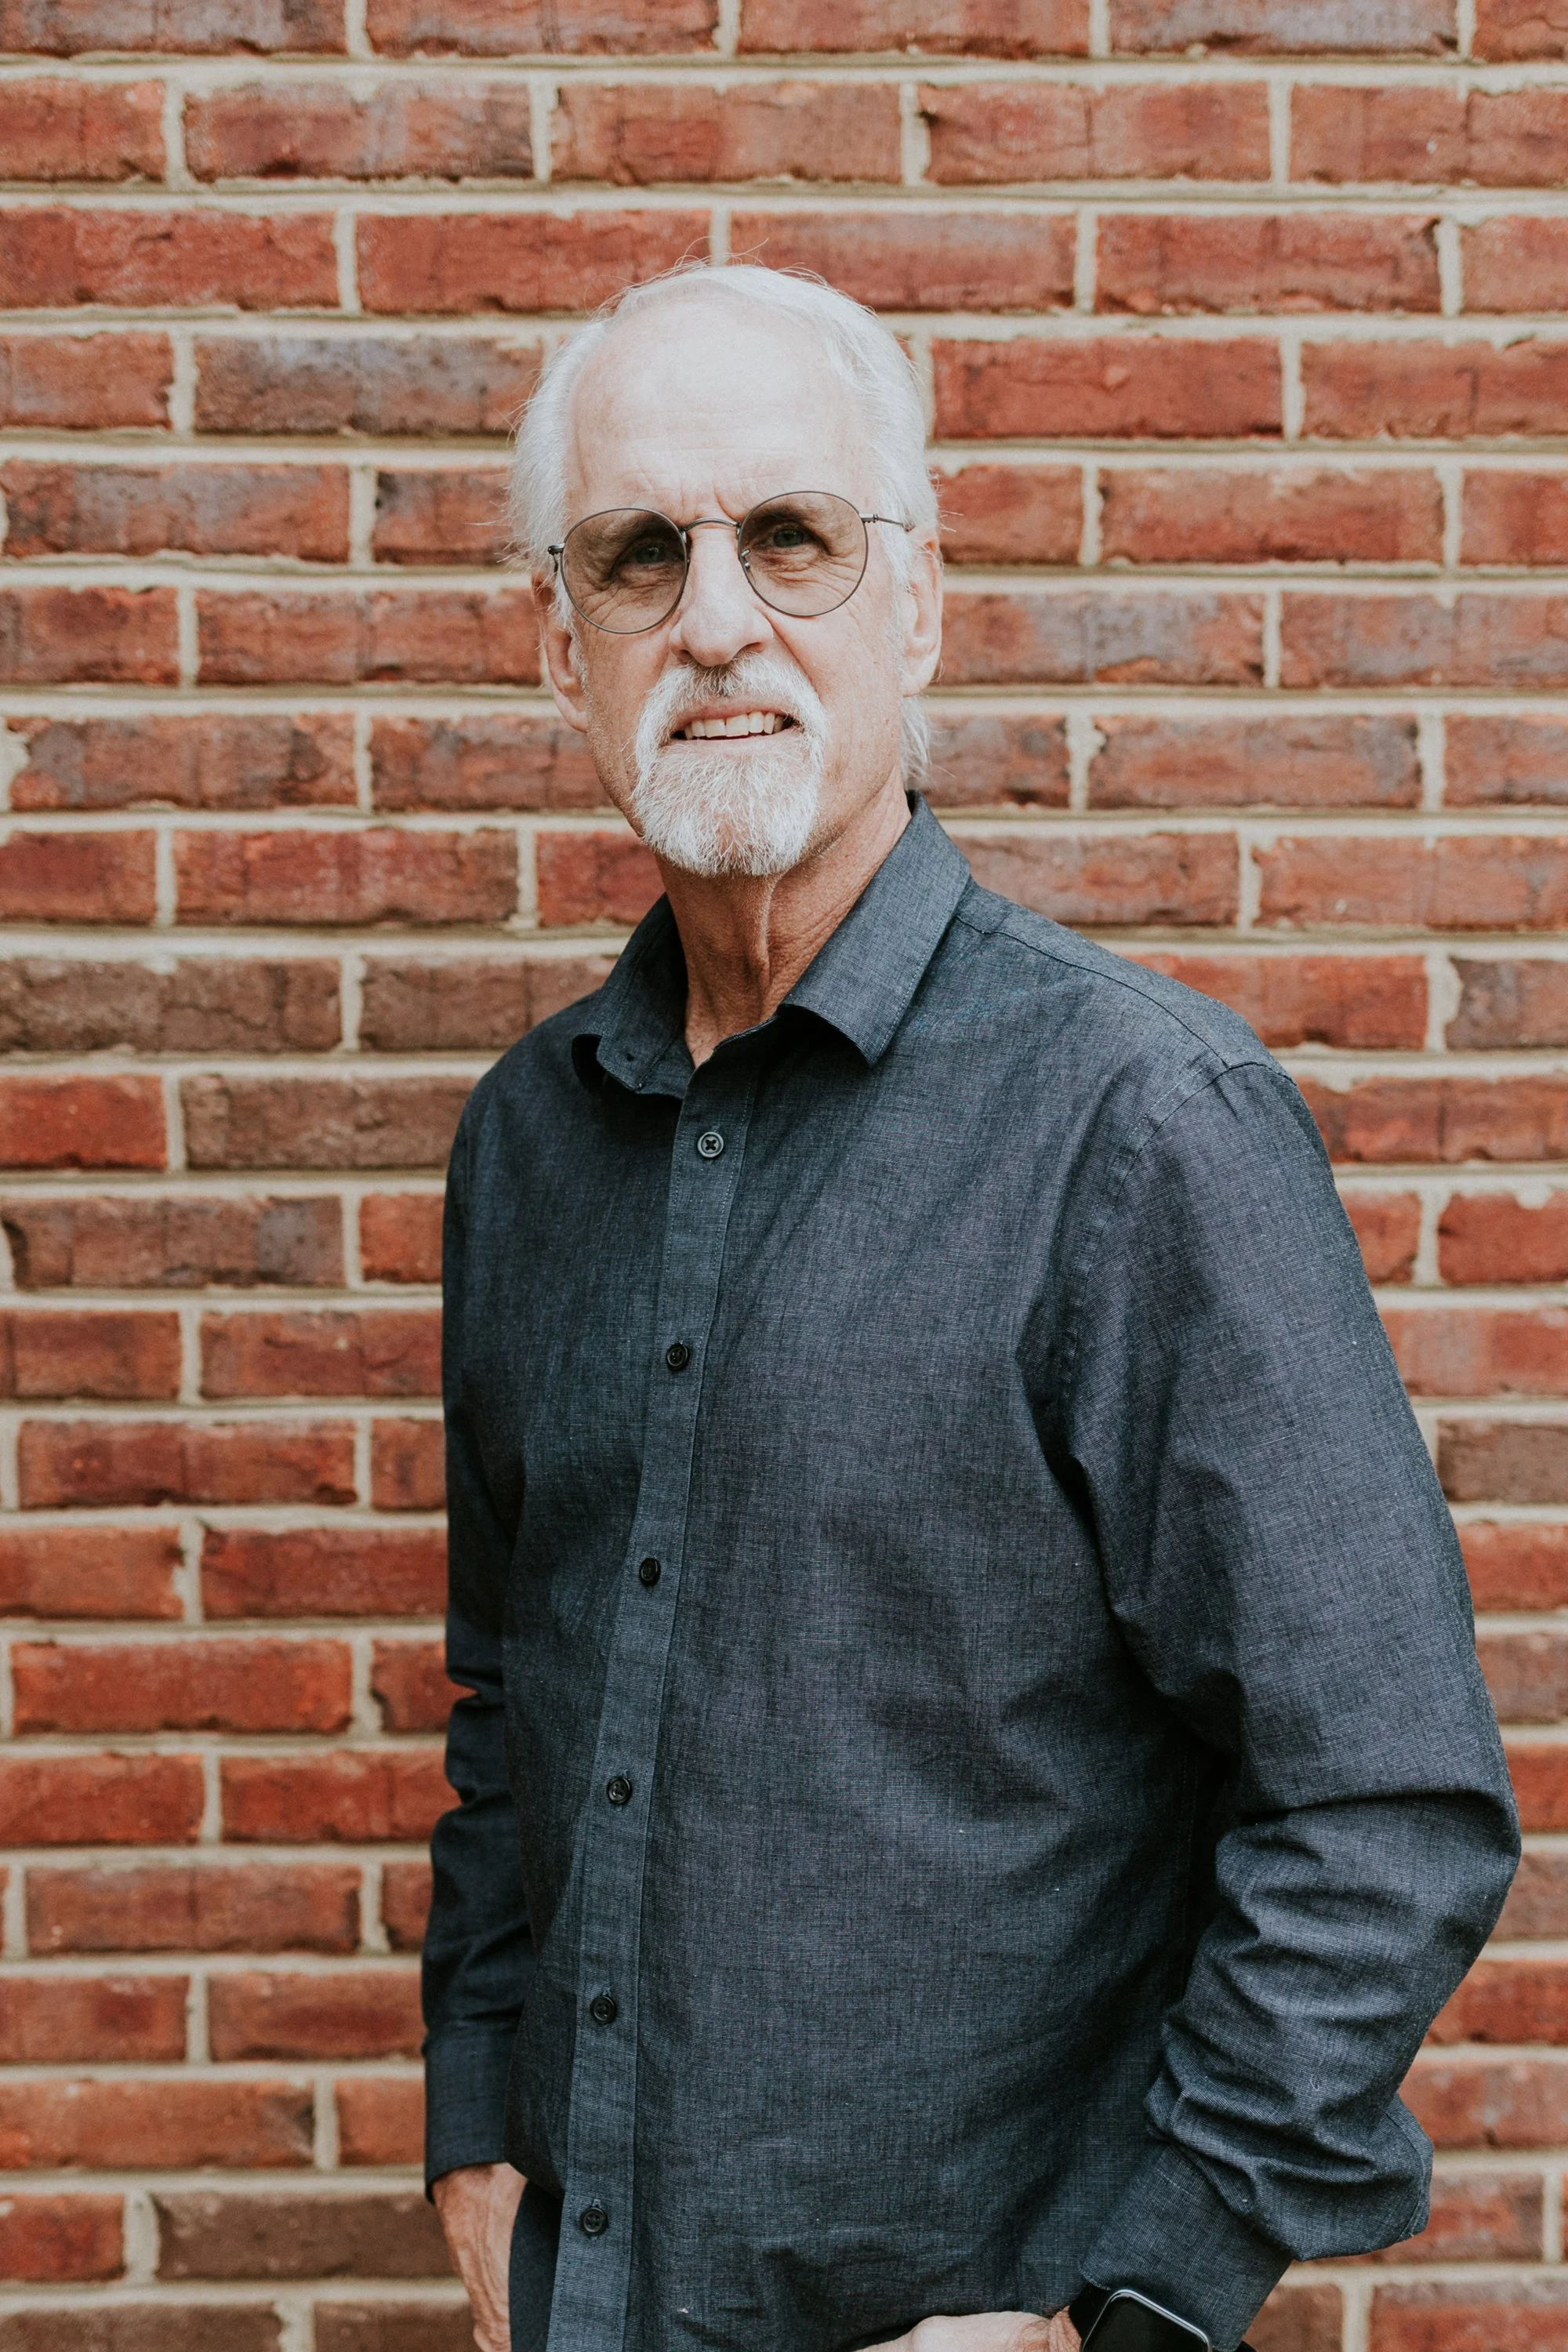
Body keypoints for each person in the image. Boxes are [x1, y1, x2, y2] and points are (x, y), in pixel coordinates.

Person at [422, 263, 1518, 2352]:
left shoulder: (1144, 1127)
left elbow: (1383, 1802)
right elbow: (512, 1711)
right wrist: (484, 2130)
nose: (719, 621)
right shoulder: (526, 1145)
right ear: (557, 641)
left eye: (793, 539)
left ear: (914, 604)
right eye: (641, 555)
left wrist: (1116, 2307)